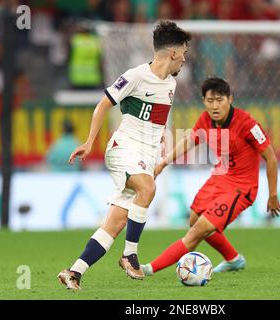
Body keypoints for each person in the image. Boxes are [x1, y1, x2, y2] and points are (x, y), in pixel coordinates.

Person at [57, 20, 191, 290]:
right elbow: (103, 105)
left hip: (144, 155)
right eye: (184, 54)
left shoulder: (171, 86)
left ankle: (74, 272)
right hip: (123, 148)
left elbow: (155, 121)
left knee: (115, 223)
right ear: (174, 52)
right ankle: (130, 255)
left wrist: (161, 139)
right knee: (148, 188)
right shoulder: (136, 76)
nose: (184, 60)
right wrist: (89, 141)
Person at [140, 77, 280, 276]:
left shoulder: (247, 124)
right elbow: (189, 142)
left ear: (230, 99)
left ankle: (148, 269)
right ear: (203, 101)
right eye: (210, 100)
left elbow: (271, 158)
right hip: (219, 178)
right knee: (194, 220)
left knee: (196, 232)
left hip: (242, 187)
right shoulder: (206, 120)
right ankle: (233, 259)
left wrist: (273, 194)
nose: (215, 106)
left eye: (219, 100)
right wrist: (163, 163)